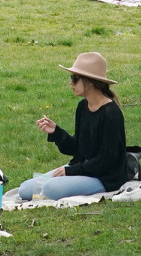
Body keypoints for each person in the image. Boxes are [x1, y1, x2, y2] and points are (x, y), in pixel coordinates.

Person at [17, 52, 130, 201]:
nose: (71, 83)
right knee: (25, 190)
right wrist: (56, 132)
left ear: (91, 82)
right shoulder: (83, 107)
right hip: (83, 168)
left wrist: (70, 171)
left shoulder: (111, 113)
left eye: (75, 78)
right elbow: (78, 149)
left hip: (105, 177)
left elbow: (107, 160)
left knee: (50, 189)